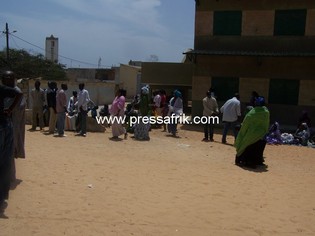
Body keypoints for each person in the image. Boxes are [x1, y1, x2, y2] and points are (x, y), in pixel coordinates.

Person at [0, 72, 23, 208]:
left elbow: (19, 103)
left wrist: (9, 110)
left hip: (9, 124)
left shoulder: (9, 90)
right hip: (6, 124)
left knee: (7, 158)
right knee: (5, 159)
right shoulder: (5, 90)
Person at [2, 71, 26, 183]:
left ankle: (9, 178)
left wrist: (9, 109)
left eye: (8, 78)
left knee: (8, 152)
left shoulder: (17, 92)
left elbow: (18, 109)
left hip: (11, 126)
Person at [234, 96, 270, 168]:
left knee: (245, 145)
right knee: (258, 148)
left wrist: (242, 134)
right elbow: (266, 124)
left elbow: (245, 126)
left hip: (250, 135)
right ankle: (257, 161)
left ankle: (247, 161)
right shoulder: (266, 112)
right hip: (261, 136)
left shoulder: (251, 114)